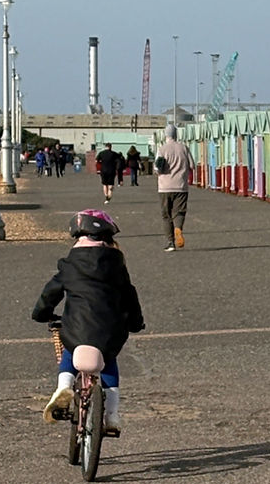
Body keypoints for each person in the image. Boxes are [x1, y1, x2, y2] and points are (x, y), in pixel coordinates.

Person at [31, 208, 144, 435]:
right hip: (110, 330)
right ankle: (112, 414)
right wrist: (135, 322)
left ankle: (63, 388)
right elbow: (130, 296)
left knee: (70, 350)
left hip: (78, 327)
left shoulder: (70, 264)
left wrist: (41, 314)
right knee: (108, 360)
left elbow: (50, 293)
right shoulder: (117, 264)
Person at [156, 123, 195, 252]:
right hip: (181, 186)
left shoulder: (162, 149)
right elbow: (192, 166)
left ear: (165, 135)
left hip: (164, 187)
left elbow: (157, 168)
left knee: (166, 215)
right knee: (179, 212)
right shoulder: (184, 148)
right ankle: (178, 228)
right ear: (176, 134)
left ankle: (170, 242)